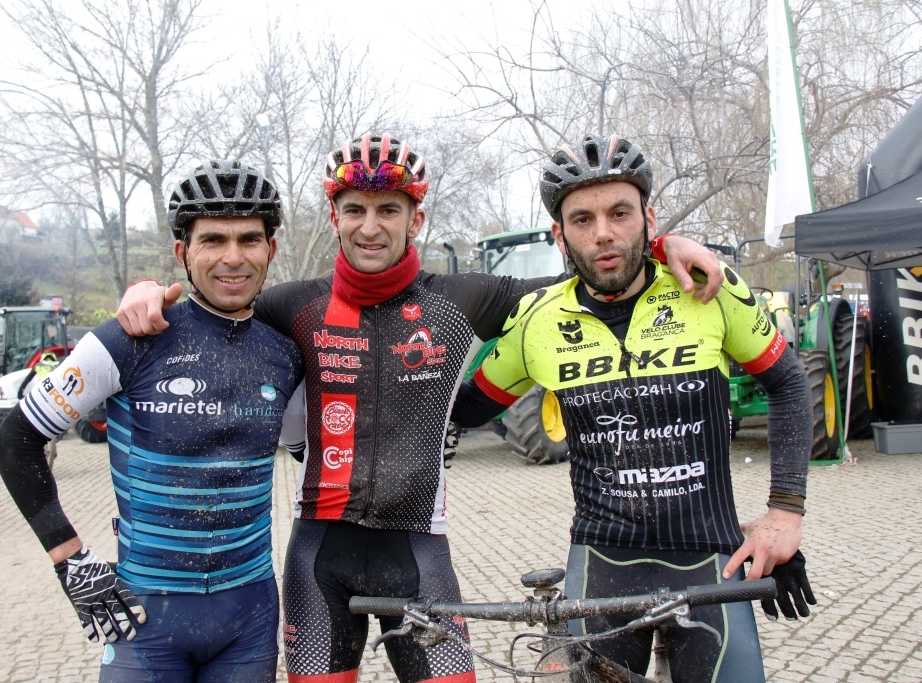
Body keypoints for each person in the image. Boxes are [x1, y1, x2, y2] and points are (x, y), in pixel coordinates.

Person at [117, 133, 726, 683]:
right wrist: (146, 292)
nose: (370, 227)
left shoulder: (463, 298)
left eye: (389, 209)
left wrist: (662, 244)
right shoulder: (292, 306)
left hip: (418, 554)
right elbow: (216, 306)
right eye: (355, 210)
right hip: (316, 560)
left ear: (417, 218)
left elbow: (592, 278)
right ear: (334, 217)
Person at [451, 133, 816, 682]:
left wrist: (784, 514)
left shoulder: (708, 287)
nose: (603, 233)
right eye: (582, 220)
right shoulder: (537, 321)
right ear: (559, 234)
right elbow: (465, 409)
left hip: (709, 557)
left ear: (648, 219)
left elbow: (787, 382)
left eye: (619, 213)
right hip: (603, 562)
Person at [0, 161, 303, 682]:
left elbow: (309, 451)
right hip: (146, 616)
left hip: (249, 613)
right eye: (213, 240)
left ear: (270, 249)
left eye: (249, 239)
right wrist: (70, 560)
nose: (233, 257)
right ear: (183, 253)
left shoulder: (286, 352)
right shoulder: (130, 337)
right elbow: (15, 440)